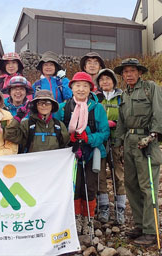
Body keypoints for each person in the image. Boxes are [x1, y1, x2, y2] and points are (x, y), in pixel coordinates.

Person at [114, 58, 162, 246]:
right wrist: (117, 144)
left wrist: (153, 135)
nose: (129, 75)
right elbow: (121, 122)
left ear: (139, 72)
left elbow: (159, 112)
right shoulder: (124, 94)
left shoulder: (150, 88)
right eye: (126, 72)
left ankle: (151, 231)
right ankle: (140, 225)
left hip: (147, 142)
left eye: (132, 71)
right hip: (129, 143)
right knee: (131, 185)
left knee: (147, 186)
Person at [54, 72, 110, 236]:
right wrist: (67, 137)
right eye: (77, 85)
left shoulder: (97, 108)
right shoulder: (63, 108)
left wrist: (88, 138)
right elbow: (57, 130)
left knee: (90, 187)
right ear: (71, 88)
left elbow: (105, 132)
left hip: (92, 153)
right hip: (70, 155)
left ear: (90, 89)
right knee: (74, 187)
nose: (80, 89)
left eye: (85, 86)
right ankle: (76, 218)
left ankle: (89, 219)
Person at [95, 68, 126, 224]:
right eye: (101, 80)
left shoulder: (121, 98)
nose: (105, 82)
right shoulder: (96, 98)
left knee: (118, 175)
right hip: (100, 143)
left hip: (116, 142)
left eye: (108, 79)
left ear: (114, 81)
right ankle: (104, 207)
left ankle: (120, 209)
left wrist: (116, 126)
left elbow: (127, 118)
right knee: (99, 174)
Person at [4, 90, 69, 153]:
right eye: (40, 103)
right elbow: (9, 135)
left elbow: (66, 146)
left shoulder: (59, 126)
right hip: (31, 163)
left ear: (52, 106)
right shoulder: (27, 124)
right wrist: (18, 118)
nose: (44, 105)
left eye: (48, 103)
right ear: (36, 106)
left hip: (54, 163)